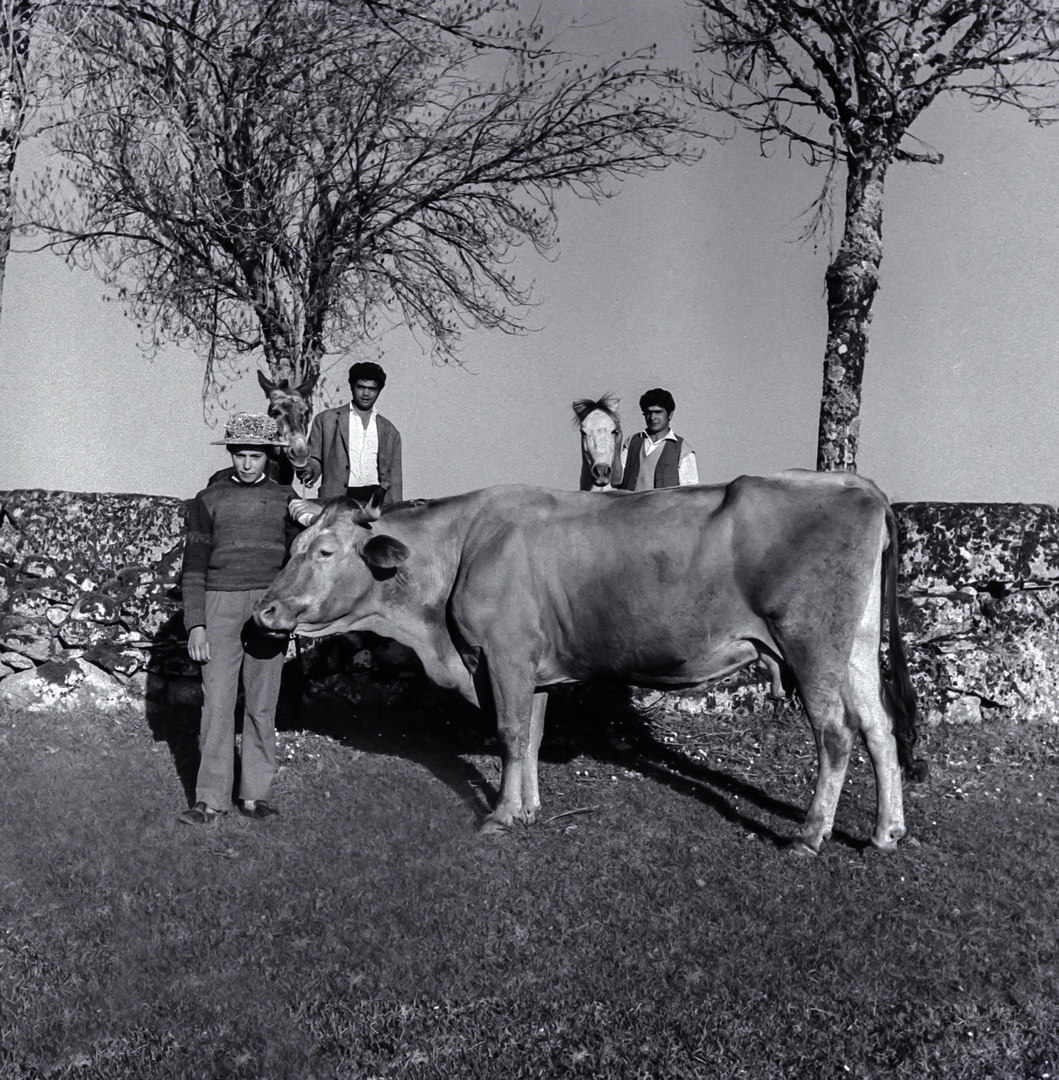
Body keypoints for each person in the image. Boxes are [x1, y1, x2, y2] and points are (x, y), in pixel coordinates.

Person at [178, 413, 298, 825]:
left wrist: (291, 615)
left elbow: (299, 566)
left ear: (268, 456)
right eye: (240, 455)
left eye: (255, 456)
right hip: (219, 605)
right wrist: (196, 623)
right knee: (217, 703)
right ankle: (210, 800)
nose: (247, 464)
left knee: (262, 705)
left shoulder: (287, 500)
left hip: (268, 607)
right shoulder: (208, 499)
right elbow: (193, 564)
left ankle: (255, 795)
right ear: (231, 454)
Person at [299, 361, 403, 505]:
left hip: (376, 501)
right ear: (352, 387)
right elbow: (314, 458)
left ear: (379, 391)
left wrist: (397, 510)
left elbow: (395, 478)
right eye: (361, 387)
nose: (366, 393)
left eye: (372, 389)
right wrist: (309, 471)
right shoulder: (326, 420)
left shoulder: (390, 431)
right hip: (337, 499)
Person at [619, 388, 699, 491]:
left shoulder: (683, 449)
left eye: (658, 412)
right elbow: (617, 479)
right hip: (630, 505)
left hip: (667, 507)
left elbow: (689, 492)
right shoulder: (632, 442)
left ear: (670, 414)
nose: (652, 417)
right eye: (648, 412)